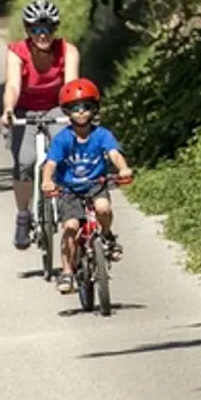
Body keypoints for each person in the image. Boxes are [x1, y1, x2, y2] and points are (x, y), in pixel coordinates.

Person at [0, 0, 81, 249]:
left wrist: (74, 113)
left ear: (55, 29)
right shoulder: (17, 52)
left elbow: (70, 85)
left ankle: (70, 205)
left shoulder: (67, 51)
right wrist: (9, 109)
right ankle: (23, 215)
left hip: (57, 106)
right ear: (28, 30)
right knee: (24, 162)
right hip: (25, 108)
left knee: (65, 152)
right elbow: (13, 85)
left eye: (47, 29)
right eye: (36, 29)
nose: (42, 35)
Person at [40, 78, 133, 294]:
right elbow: (51, 163)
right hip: (69, 189)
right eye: (75, 108)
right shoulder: (63, 139)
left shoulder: (102, 135)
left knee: (103, 209)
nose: (81, 112)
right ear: (67, 112)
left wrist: (123, 169)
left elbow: (114, 153)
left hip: (95, 184)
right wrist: (47, 181)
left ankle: (107, 236)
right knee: (71, 227)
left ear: (94, 109)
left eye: (86, 107)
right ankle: (67, 272)